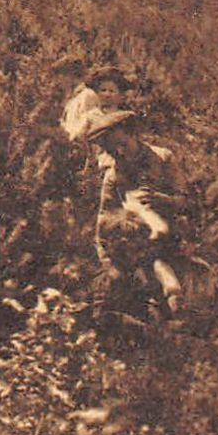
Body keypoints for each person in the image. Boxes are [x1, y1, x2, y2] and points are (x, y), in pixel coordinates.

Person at [82, 109, 187, 318]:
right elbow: (103, 219)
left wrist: (161, 199)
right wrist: (105, 259)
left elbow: (185, 201)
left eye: (123, 145)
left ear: (133, 135)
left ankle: (171, 301)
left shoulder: (163, 158)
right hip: (131, 240)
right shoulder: (113, 176)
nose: (120, 153)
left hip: (167, 235)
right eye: (113, 150)